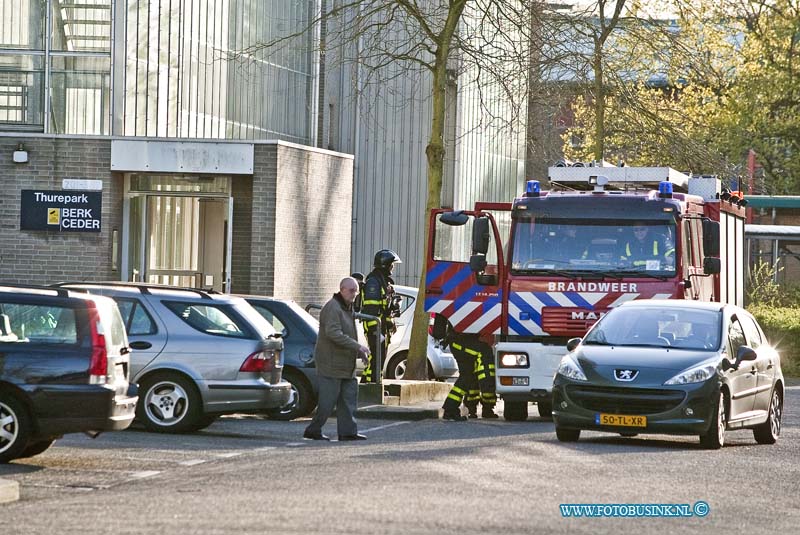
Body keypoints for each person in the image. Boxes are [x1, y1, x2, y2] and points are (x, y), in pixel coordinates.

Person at [303, 277, 371, 441]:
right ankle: (313, 430)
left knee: (349, 400)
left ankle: (348, 432)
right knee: (327, 401)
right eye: (351, 290)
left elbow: (347, 334)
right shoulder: (333, 307)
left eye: (356, 291)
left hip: (345, 364)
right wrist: (357, 347)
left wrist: (358, 351)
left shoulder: (346, 307)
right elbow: (334, 333)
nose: (354, 294)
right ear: (342, 289)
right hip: (331, 364)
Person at [360, 249, 402, 383]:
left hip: (382, 325)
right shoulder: (373, 282)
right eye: (392, 265)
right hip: (375, 325)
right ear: (386, 264)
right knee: (377, 355)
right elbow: (372, 308)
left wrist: (390, 322)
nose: (393, 267)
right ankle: (372, 384)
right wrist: (375, 330)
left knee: (379, 356)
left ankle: (369, 382)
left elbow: (386, 307)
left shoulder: (383, 280)